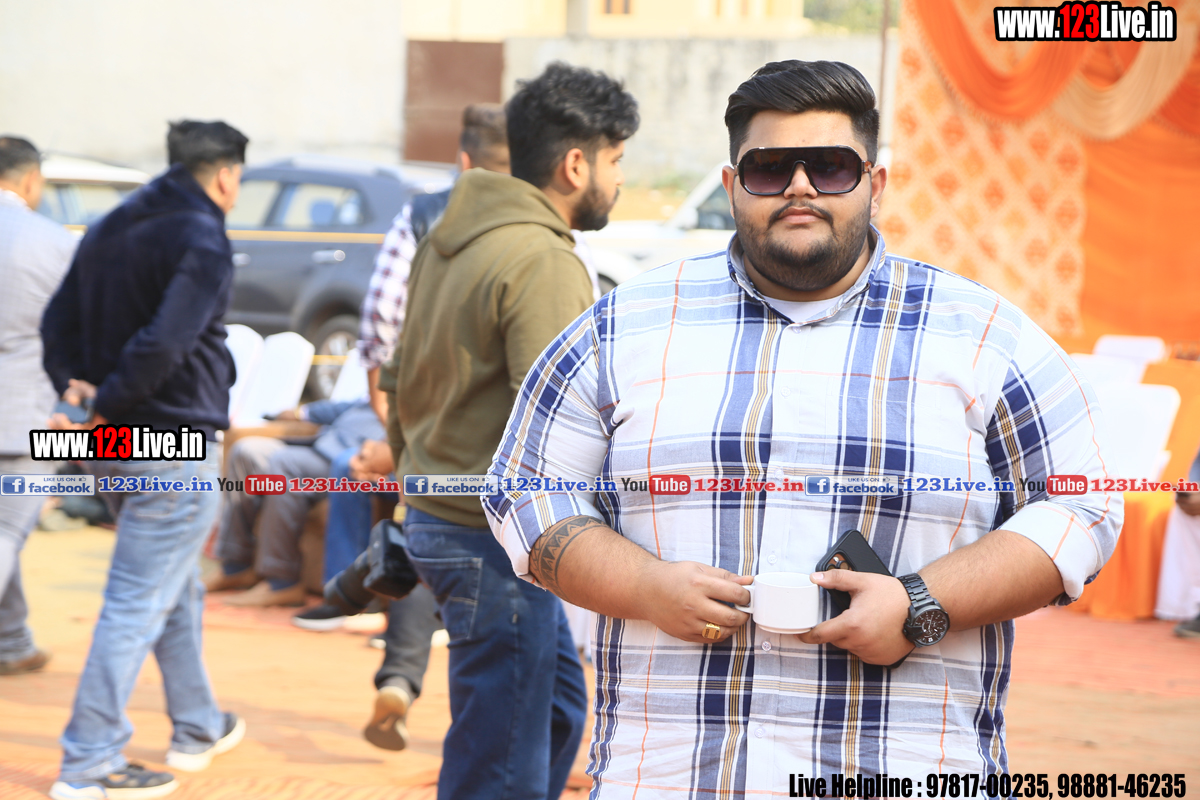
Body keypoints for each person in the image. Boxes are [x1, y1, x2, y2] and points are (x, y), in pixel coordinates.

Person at [483, 60, 1123, 792]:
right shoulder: (625, 326)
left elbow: (1084, 504)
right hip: (671, 776)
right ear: (732, 185)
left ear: (875, 183)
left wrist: (921, 603)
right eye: (770, 168)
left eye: (830, 166)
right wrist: (644, 587)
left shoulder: (983, 336)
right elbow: (524, 490)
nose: (800, 187)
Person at [383, 62, 638, 799]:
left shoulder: (448, 236)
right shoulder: (541, 257)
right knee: (499, 766)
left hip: (443, 517)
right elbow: (562, 426)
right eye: (617, 161)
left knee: (554, 713)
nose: (620, 180)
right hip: (491, 539)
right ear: (575, 164)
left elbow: (395, 379)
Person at [41, 120, 250, 799]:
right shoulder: (202, 234)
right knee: (137, 599)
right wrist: (108, 401)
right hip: (171, 440)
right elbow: (166, 340)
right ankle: (90, 761)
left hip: (107, 444)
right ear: (226, 175)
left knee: (172, 585)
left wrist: (77, 392)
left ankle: (198, 725)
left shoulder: (110, 224)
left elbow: (55, 323)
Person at [0, 136, 77, 676]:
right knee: (6, 531)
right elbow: (83, 328)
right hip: (25, 414)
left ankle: (13, 640)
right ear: (30, 180)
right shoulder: (52, 241)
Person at [205, 399, 384, 607]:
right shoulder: (377, 392)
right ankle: (236, 566)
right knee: (246, 450)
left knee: (284, 464)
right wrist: (300, 413)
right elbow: (348, 407)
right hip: (319, 444)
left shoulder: (406, 393)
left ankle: (282, 582)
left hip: (348, 458)